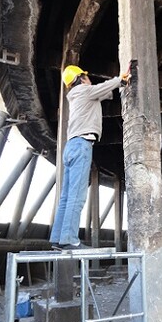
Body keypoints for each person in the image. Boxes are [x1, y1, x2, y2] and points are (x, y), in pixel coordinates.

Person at [50, 65, 130, 250]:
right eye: (86, 76)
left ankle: (57, 238)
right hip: (82, 146)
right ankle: (69, 239)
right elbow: (102, 88)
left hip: (70, 146)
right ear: (81, 78)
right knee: (77, 196)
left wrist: (118, 85)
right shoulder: (85, 91)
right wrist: (121, 78)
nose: (89, 78)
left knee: (66, 197)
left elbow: (105, 93)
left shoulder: (77, 96)